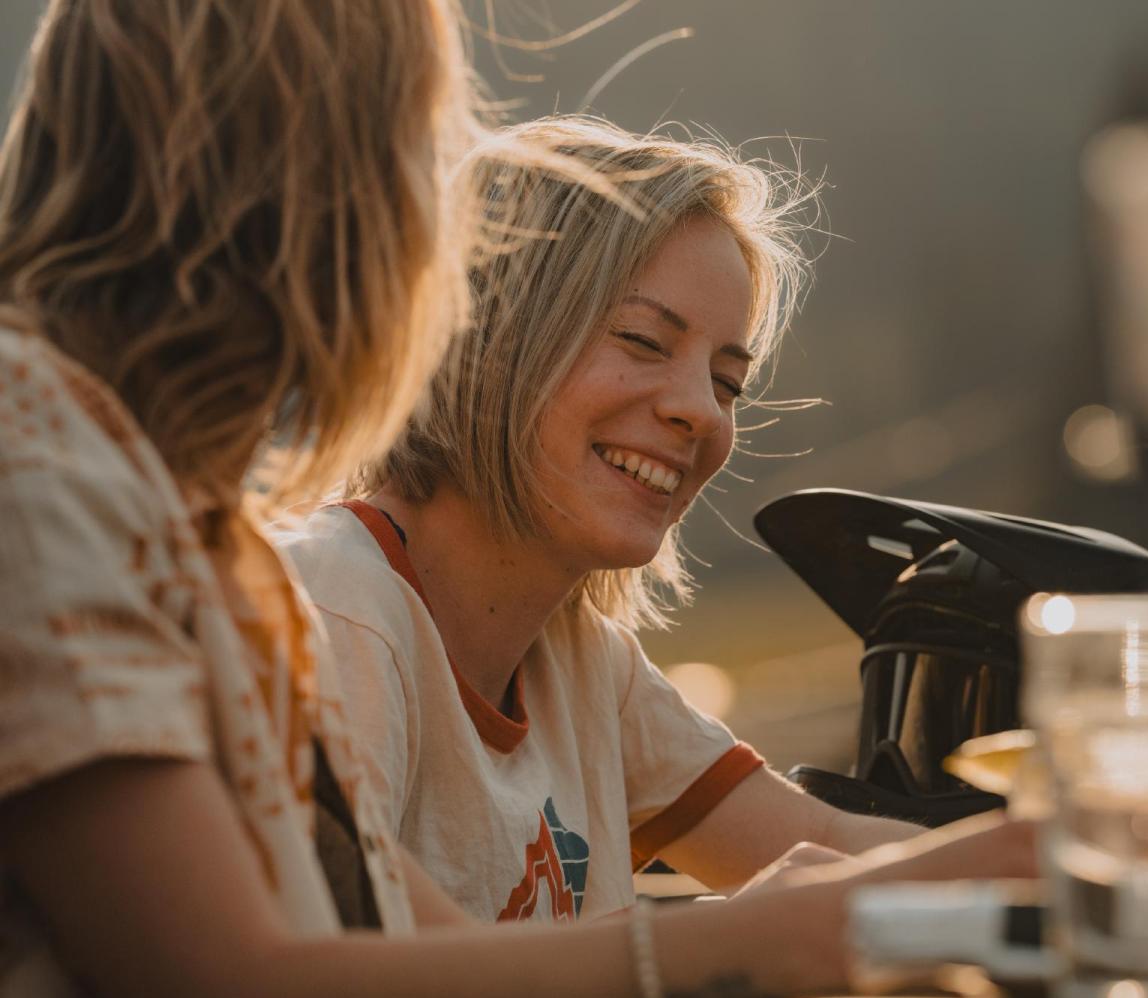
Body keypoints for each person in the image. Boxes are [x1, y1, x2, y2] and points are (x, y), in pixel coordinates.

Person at [0, 4, 1034, 998]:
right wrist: (804, 933)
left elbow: (409, 949)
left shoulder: (205, 551)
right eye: (413, 146)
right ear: (285, 171)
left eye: (729, 379)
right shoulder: (43, 459)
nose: (435, 235)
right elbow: (235, 987)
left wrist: (997, 866)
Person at [278, 116, 926, 924]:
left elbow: (818, 840)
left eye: (728, 382)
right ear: (486, 334)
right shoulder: (335, 620)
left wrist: (1069, 845)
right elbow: (401, 982)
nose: (700, 411)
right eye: (644, 340)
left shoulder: (583, 664)